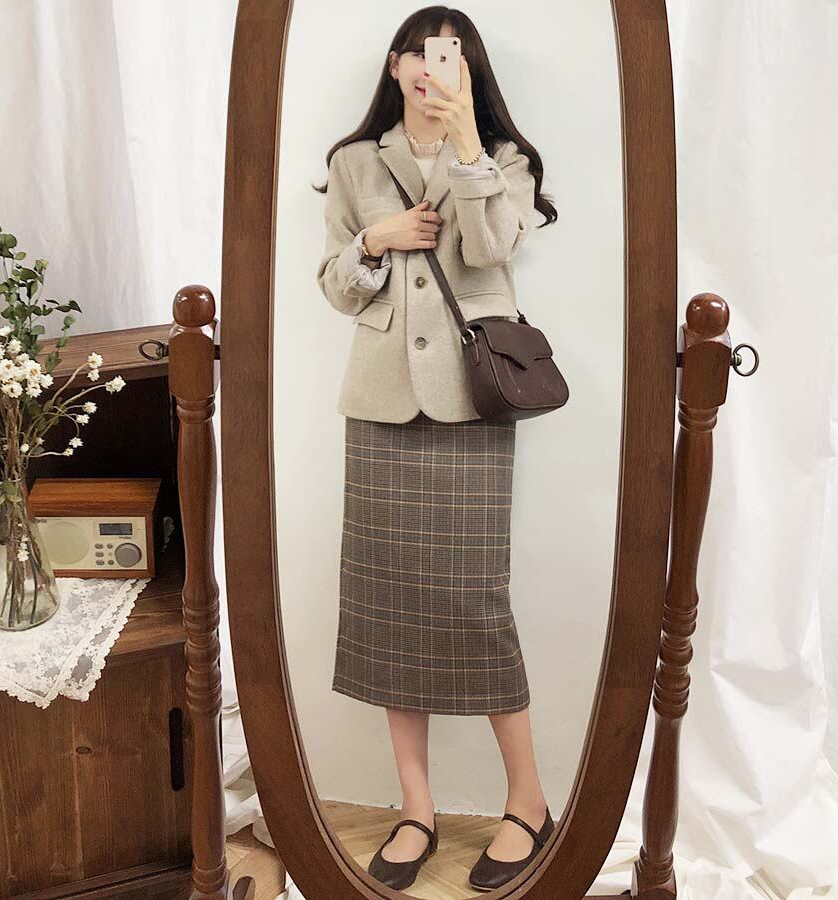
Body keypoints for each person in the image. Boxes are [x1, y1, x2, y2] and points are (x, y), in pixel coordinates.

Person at [314, 6, 557, 892]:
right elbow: (336, 286)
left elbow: (491, 251)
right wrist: (374, 241)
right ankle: (414, 806)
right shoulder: (355, 162)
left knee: (472, 604)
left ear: (468, 70)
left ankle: (527, 800)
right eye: (417, 51)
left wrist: (466, 152)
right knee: (387, 603)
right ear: (394, 65)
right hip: (380, 404)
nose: (430, 65)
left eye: (449, 55)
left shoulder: (504, 160)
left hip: (469, 400)